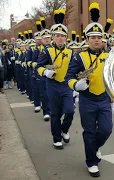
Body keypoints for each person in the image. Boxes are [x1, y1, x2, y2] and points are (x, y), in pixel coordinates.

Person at [66, 2, 112, 177]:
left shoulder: (109, 55)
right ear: (87, 39)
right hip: (88, 99)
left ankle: (95, 147)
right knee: (90, 131)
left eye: (99, 37)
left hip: (104, 98)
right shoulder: (79, 57)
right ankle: (91, 161)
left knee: (106, 129)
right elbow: (68, 77)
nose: (97, 40)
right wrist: (76, 85)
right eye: (92, 37)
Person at [36, 9, 74, 149]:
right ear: (53, 37)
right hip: (52, 85)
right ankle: (56, 138)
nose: (60, 38)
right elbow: (38, 67)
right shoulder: (47, 50)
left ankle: (64, 129)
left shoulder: (70, 51)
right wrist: (46, 72)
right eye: (57, 35)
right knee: (55, 113)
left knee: (69, 111)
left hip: (66, 85)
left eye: (62, 36)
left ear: (65, 37)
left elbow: (73, 68)